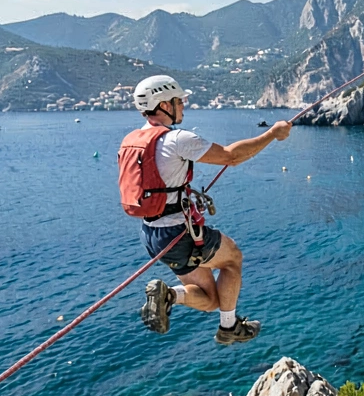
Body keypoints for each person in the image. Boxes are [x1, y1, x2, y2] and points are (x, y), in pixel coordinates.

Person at [119, 75, 290, 344]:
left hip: (152, 235)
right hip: (178, 233)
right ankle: (229, 327)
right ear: (163, 104)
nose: (183, 106)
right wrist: (272, 134)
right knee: (232, 258)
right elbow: (231, 156)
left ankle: (170, 295)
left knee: (211, 300)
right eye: (178, 101)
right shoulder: (176, 139)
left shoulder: (132, 141)